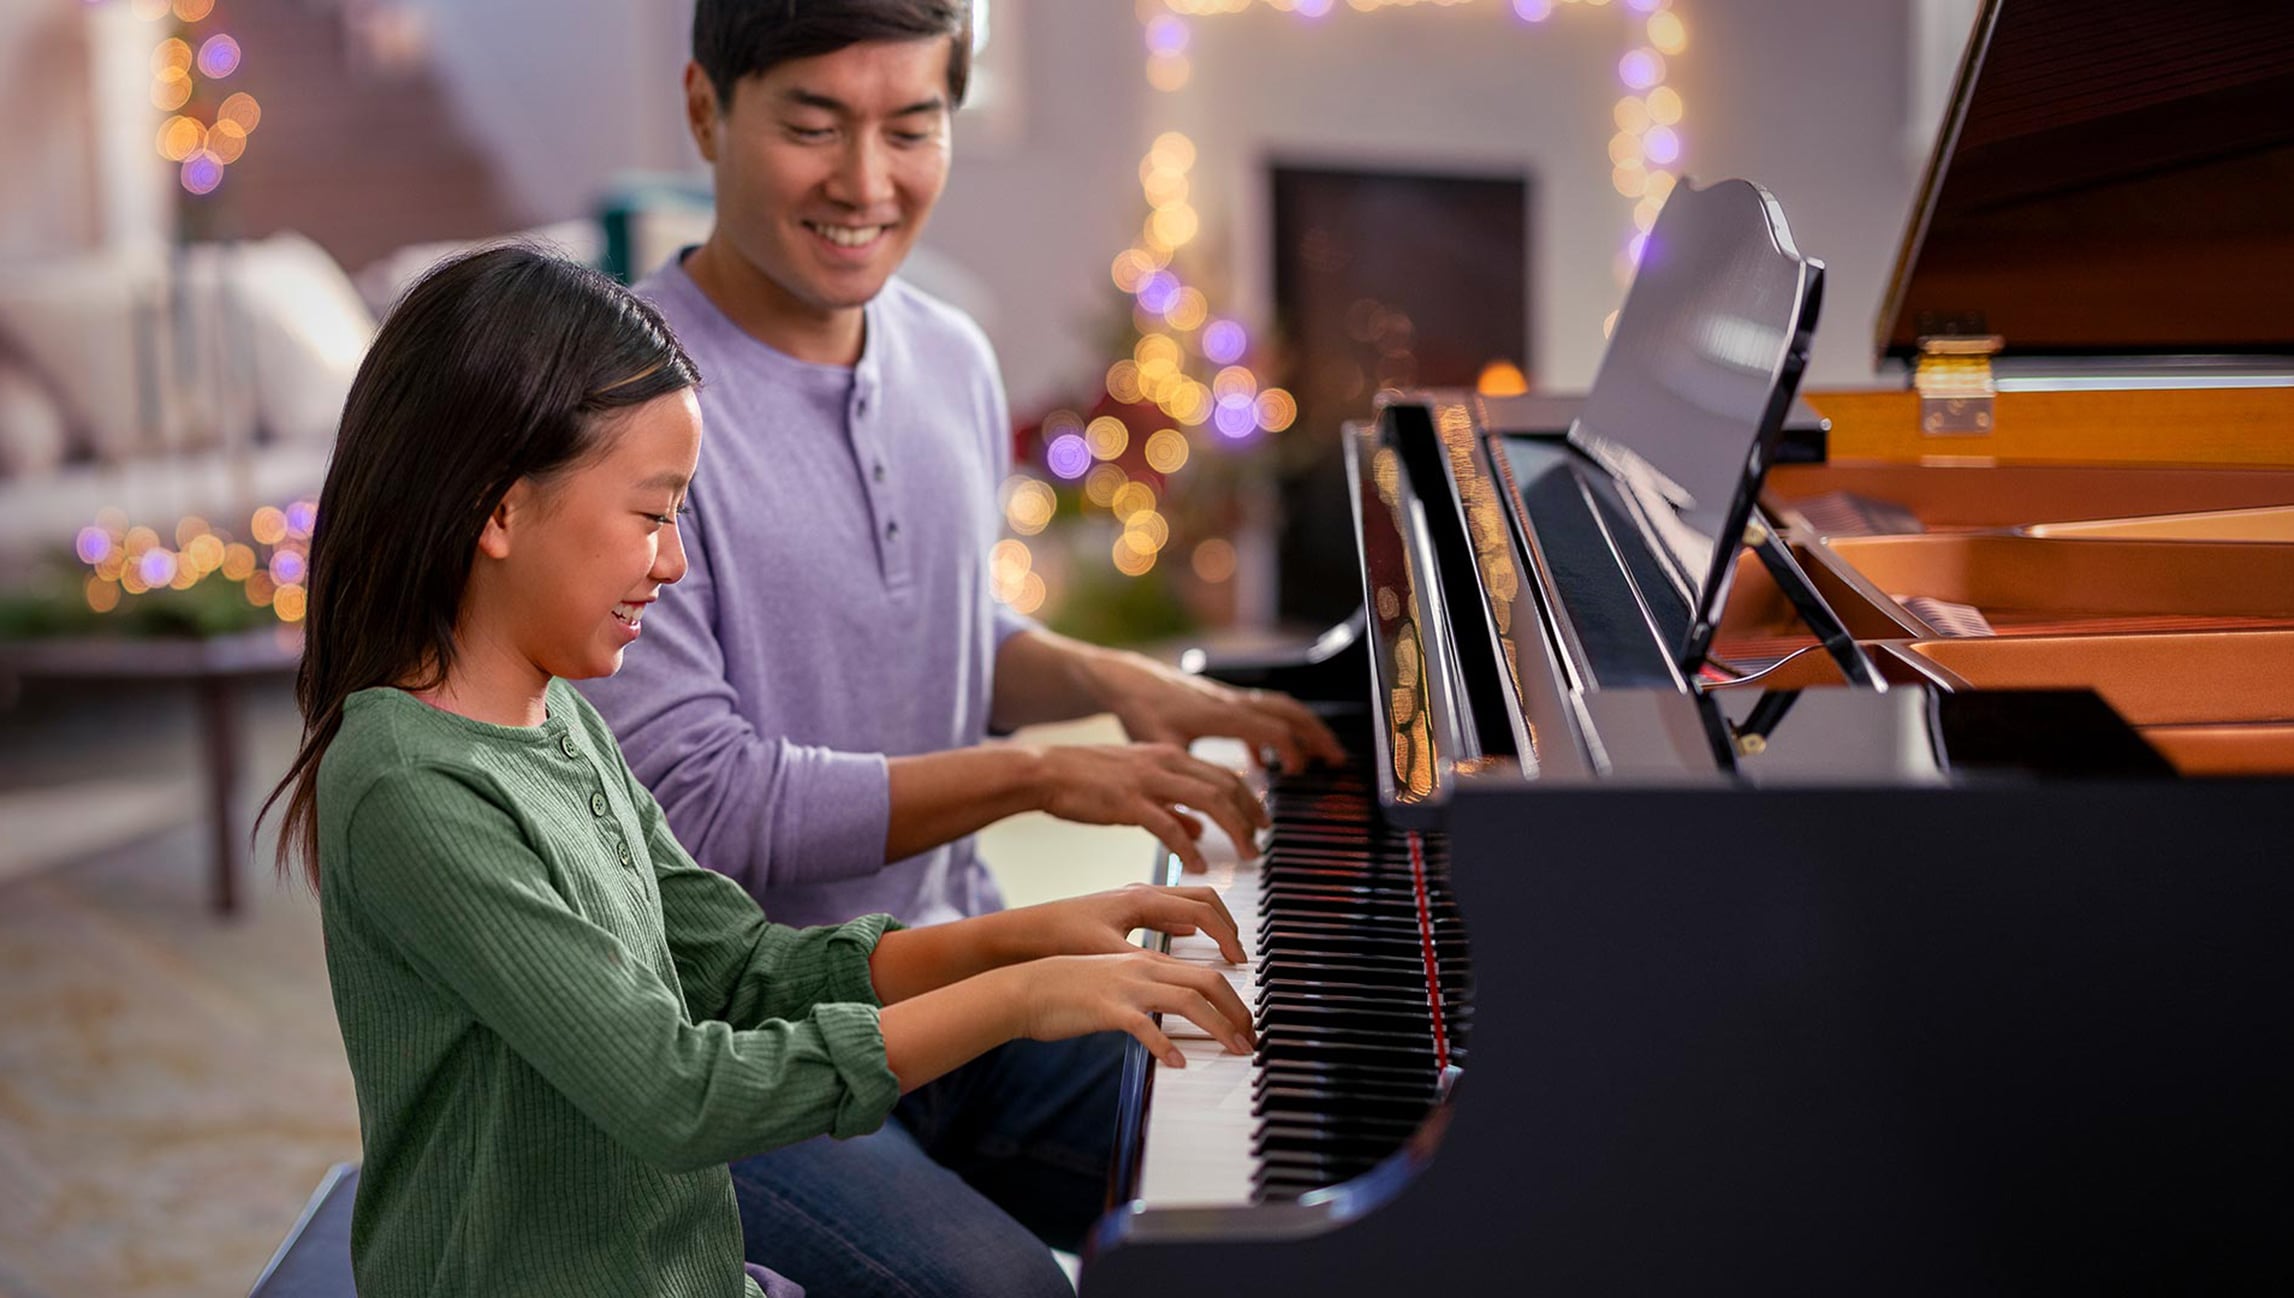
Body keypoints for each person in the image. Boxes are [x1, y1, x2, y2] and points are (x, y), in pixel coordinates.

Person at [261, 245, 1254, 1298]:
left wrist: (1024, 933)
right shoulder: (408, 785)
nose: (675, 560)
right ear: (496, 509)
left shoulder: (561, 719)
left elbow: (740, 970)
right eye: (651, 514)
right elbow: (676, 1093)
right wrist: (1017, 997)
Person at [576, 3, 1346, 1289]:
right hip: (739, 1045)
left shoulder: (952, 356)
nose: (865, 183)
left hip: (960, 967)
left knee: (1286, 1151)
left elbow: (930, 624)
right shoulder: (621, 411)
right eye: (812, 126)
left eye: (910, 126)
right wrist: (1039, 774)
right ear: (707, 111)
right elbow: (706, 799)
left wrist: (1109, 680)